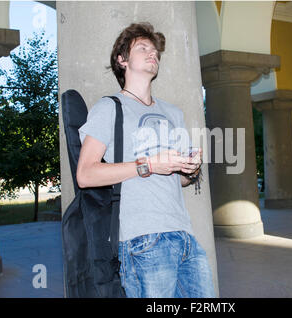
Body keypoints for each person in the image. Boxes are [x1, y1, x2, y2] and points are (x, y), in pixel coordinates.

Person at [76, 22, 215, 298]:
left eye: (155, 51)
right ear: (122, 60)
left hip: (184, 234)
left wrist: (190, 169)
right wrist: (149, 165)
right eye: (143, 48)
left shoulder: (173, 113)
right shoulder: (109, 108)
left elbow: (183, 181)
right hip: (143, 239)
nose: (153, 54)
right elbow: (86, 174)